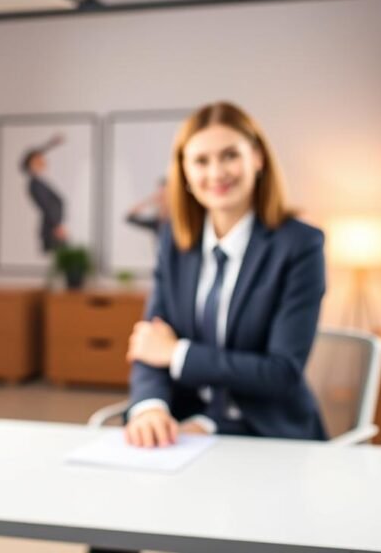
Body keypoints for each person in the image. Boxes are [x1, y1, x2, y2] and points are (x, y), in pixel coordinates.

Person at [125, 101, 327, 445]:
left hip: (268, 435)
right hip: (183, 429)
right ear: (184, 173)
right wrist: (150, 407)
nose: (216, 173)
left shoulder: (299, 245)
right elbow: (150, 344)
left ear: (257, 158)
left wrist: (178, 355)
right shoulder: (172, 242)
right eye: (201, 161)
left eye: (229, 155)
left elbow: (281, 373)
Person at [22, 133, 68, 252]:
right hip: (52, 231)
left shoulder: (39, 182)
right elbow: (47, 206)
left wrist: (51, 144)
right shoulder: (35, 185)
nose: (43, 160)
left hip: (54, 228)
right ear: (31, 164)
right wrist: (57, 226)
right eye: (38, 160)